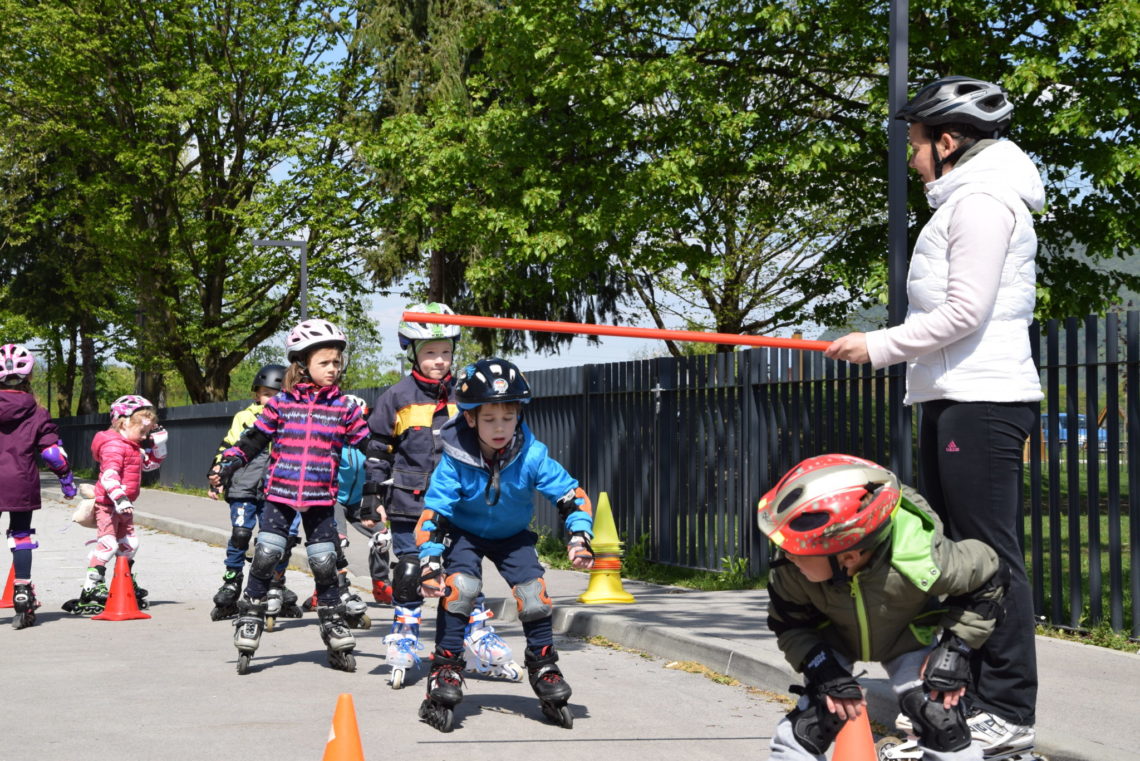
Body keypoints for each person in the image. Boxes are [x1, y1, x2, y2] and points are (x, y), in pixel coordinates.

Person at [825, 76, 1043, 757]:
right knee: (955, 561)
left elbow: (964, 313)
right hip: (952, 396)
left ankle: (1006, 709)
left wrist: (877, 345)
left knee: (989, 559)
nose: (912, 156)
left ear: (949, 141)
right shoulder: (961, 199)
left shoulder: (981, 202)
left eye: (917, 143)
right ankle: (964, 704)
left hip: (984, 399)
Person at [759, 454, 1009, 761]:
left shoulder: (923, 561)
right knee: (817, 715)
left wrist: (956, 650)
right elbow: (788, 624)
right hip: (832, 636)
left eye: (797, 550)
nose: (786, 556)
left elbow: (990, 578)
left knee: (938, 716)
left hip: (906, 634)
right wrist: (822, 669)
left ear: (847, 557)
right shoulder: (791, 572)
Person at [415, 357, 595, 733]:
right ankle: (446, 667)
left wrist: (579, 537)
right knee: (460, 589)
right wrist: (430, 562)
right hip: (464, 532)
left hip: (512, 535)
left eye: (508, 418)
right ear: (470, 418)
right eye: (490, 419)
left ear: (519, 416)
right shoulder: (454, 459)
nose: (500, 428)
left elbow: (571, 495)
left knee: (533, 593)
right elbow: (433, 514)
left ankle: (543, 665)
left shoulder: (531, 453)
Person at [362, 304, 521, 688]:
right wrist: (370, 494)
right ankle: (405, 634)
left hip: (458, 506)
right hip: (408, 504)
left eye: (445, 352)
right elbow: (377, 449)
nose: (438, 360)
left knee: (462, 574)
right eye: (430, 352)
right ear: (413, 352)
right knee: (412, 570)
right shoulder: (396, 397)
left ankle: (477, 632)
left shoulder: (467, 393)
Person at [209, 318, 378, 674]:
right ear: (302, 365)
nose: (333, 369)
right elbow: (253, 440)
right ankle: (251, 611)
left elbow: (369, 445)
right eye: (325, 363)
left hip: (320, 499)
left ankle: (332, 621)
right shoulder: (281, 404)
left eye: (337, 362)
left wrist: (392, 461)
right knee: (267, 553)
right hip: (279, 496)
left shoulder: (344, 408)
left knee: (325, 562)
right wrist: (227, 465)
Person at [206, 364, 302, 624]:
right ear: (256, 394)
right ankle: (231, 581)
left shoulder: (292, 416)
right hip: (244, 487)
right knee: (240, 534)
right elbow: (228, 447)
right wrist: (218, 475)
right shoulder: (244, 417)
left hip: (278, 488)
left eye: (276, 393)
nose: (270, 399)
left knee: (279, 540)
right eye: (265, 394)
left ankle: (276, 583)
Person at [64, 395, 167, 615]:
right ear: (123, 422)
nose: (145, 436)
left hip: (125, 506)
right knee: (108, 544)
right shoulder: (114, 446)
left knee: (130, 543)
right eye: (142, 431)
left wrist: (160, 446)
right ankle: (92, 586)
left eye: (147, 432)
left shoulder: (132, 445)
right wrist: (119, 498)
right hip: (109, 505)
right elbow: (110, 476)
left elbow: (149, 466)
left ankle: (125, 579)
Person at [0, 343, 77, 629]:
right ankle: (22, 593)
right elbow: (51, 454)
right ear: (29, 376)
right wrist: (66, 480)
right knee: (21, 535)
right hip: (20, 480)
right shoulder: (38, 412)